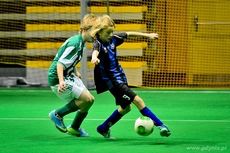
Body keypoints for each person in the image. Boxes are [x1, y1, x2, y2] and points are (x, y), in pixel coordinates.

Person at [90, 15, 171, 139]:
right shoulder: (98, 43)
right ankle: (161, 126)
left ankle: (103, 127)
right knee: (138, 100)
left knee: (126, 107)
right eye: (108, 32)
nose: (111, 34)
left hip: (120, 77)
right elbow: (95, 51)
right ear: (100, 32)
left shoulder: (113, 39)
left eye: (112, 31)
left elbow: (129, 34)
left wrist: (148, 35)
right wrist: (94, 58)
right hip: (112, 81)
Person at [47, 13, 97, 137]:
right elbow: (60, 63)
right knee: (86, 99)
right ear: (85, 30)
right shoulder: (75, 44)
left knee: (90, 101)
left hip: (68, 75)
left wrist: (75, 71)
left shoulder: (81, 42)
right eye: (94, 31)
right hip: (58, 78)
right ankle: (57, 114)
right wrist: (61, 81)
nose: (96, 34)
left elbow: (69, 60)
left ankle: (74, 128)